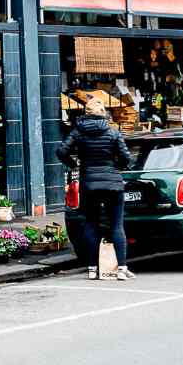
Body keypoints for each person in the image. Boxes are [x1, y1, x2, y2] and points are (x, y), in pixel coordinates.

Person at [58, 94, 133, 280]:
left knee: (91, 225)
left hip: (89, 183)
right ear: (103, 114)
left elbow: (61, 151)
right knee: (116, 225)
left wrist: (74, 163)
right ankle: (121, 269)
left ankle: (92, 269)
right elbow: (126, 158)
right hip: (113, 183)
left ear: (86, 113)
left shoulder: (78, 131)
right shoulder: (113, 132)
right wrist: (117, 166)